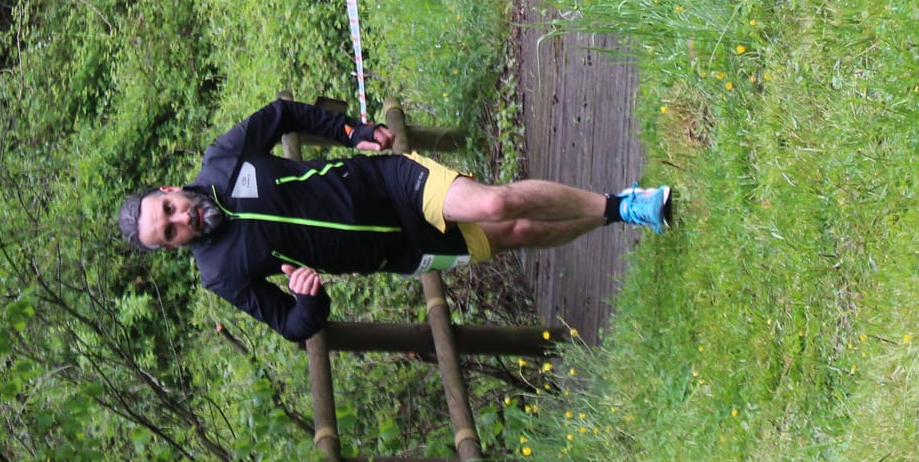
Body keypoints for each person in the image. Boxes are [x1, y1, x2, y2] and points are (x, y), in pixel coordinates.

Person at [115, 96, 672, 342]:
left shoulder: (223, 158)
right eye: (170, 233)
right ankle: (613, 215)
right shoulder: (220, 272)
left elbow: (282, 114)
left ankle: (621, 205)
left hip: (387, 184)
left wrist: (352, 132)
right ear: (172, 247)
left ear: (168, 190)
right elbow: (293, 326)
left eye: (169, 210)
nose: (181, 220)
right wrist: (308, 300)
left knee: (495, 205)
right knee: (519, 232)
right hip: (400, 251)